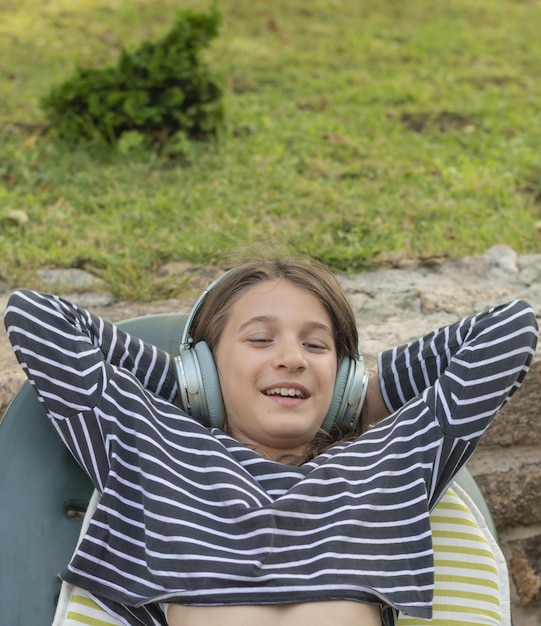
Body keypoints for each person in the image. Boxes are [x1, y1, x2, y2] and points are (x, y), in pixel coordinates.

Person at [4, 255, 538, 626]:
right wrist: (189, 386)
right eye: (260, 339)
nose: (292, 357)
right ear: (207, 366)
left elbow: (510, 329)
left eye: (316, 345)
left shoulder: (391, 461)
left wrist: (364, 397)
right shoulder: (150, 448)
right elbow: (35, 316)